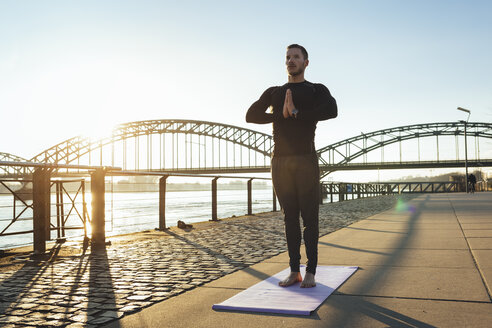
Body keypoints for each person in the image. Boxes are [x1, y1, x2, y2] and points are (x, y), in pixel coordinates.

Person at [246, 44, 338, 288]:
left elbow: (332, 110)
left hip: (305, 159)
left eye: (296, 57)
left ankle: (311, 271)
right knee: (289, 218)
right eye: (287, 57)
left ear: (306, 62)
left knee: (310, 218)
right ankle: (294, 270)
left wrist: (297, 112)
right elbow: (251, 115)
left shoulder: (316, 90)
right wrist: (281, 114)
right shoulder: (275, 92)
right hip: (280, 161)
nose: (291, 60)